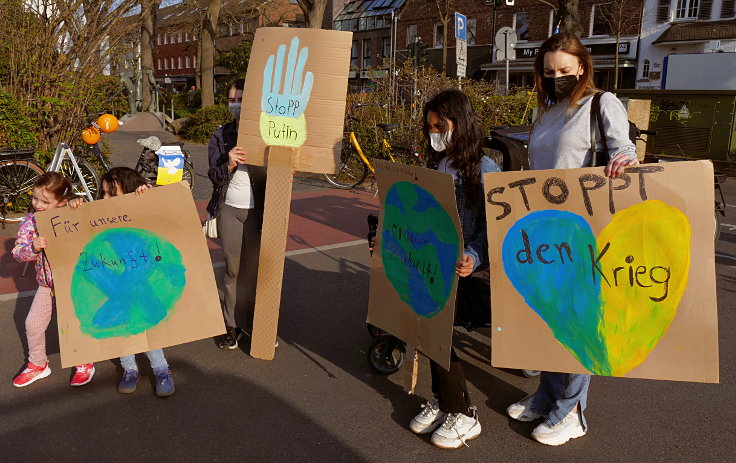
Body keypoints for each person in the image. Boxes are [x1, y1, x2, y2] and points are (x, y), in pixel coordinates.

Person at [505, 32, 638, 446]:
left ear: (581, 66)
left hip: (583, 228)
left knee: (577, 320)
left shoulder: (602, 102)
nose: (557, 76)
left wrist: (625, 157)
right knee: (550, 317)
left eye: (564, 69)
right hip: (544, 228)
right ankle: (547, 396)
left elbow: (623, 148)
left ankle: (573, 410)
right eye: (549, 71)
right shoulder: (545, 112)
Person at [408, 89, 501, 449]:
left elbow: (493, 227)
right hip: (435, 264)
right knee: (428, 327)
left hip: (464, 271)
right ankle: (445, 399)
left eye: (440, 125)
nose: (435, 133)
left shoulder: (484, 168)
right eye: (430, 127)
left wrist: (473, 257)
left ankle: (462, 412)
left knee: (437, 329)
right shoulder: (438, 164)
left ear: (459, 123)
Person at [69, 167, 176, 397]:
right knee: (122, 323)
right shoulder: (100, 215)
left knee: (144, 322)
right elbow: (80, 224)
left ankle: (161, 370)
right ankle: (130, 369)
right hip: (117, 277)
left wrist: (147, 195)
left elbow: (162, 213)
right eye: (103, 193)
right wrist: (75, 206)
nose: (105, 199)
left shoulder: (140, 208)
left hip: (139, 275)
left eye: (111, 193)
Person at [12, 172, 96, 388]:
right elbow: (18, 252)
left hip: (72, 283)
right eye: (35, 198)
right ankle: (38, 364)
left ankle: (83, 362)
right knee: (33, 324)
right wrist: (32, 248)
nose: (37, 204)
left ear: (62, 202)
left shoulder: (72, 213)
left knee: (74, 324)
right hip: (46, 285)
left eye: (45, 201)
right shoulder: (30, 221)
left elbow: (94, 225)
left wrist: (81, 204)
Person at [207, 78, 267, 350]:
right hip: (230, 209)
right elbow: (215, 177)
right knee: (233, 271)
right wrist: (229, 163)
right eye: (231, 100)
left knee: (256, 272)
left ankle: (258, 325)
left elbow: (277, 172)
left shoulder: (267, 133)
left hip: (259, 212)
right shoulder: (221, 136)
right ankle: (231, 326)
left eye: (240, 99)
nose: (235, 105)